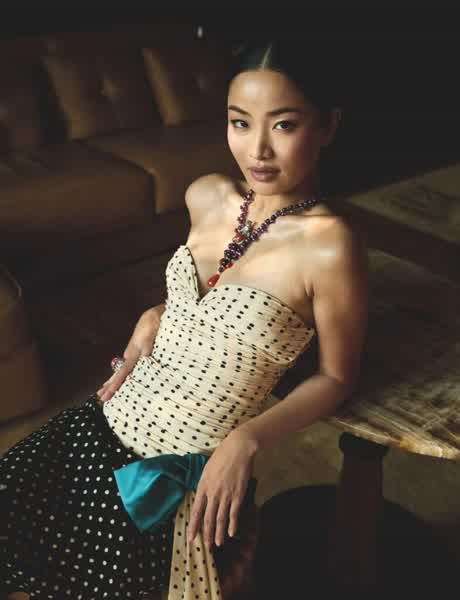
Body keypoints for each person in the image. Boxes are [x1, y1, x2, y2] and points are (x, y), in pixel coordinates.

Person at [1, 34, 368, 600]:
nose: (258, 150)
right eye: (240, 122)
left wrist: (245, 440)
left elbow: (337, 377)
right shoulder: (207, 195)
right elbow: (205, 301)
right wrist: (157, 314)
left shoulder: (329, 246)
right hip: (102, 425)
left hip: (169, 478)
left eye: (284, 125)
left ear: (328, 126)